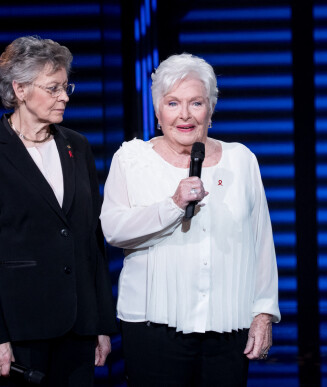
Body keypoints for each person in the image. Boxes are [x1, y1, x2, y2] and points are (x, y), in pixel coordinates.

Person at [100, 53, 280, 386]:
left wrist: (264, 312)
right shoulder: (132, 159)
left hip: (227, 326)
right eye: (172, 103)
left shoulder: (241, 160)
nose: (184, 115)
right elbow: (114, 230)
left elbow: (261, 241)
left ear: (210, 110)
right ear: (157, 111)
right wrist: (174, 204)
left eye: (196, 103)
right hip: (152, 328)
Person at [0, 36, 117, 386]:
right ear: (20, 89)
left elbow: (92, 241)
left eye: (66, 86)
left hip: (78, 327)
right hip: (19, 330)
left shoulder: (78, 145)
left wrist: (101, 324)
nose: (65, 96)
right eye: (53, 88)